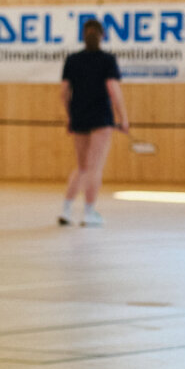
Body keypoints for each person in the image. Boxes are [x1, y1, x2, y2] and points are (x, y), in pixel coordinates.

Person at [60, 17, 127, 227]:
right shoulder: (107, 60)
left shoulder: (72, 60)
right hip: (101, 119)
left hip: (79, 117)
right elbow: (113, 89)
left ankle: (66, 211)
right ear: (102, 36)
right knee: (94, 168)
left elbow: (64, 92)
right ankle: (89, 213)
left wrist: (70, 116)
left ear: (83, 36)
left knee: (81, 167)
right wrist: (123, 117)